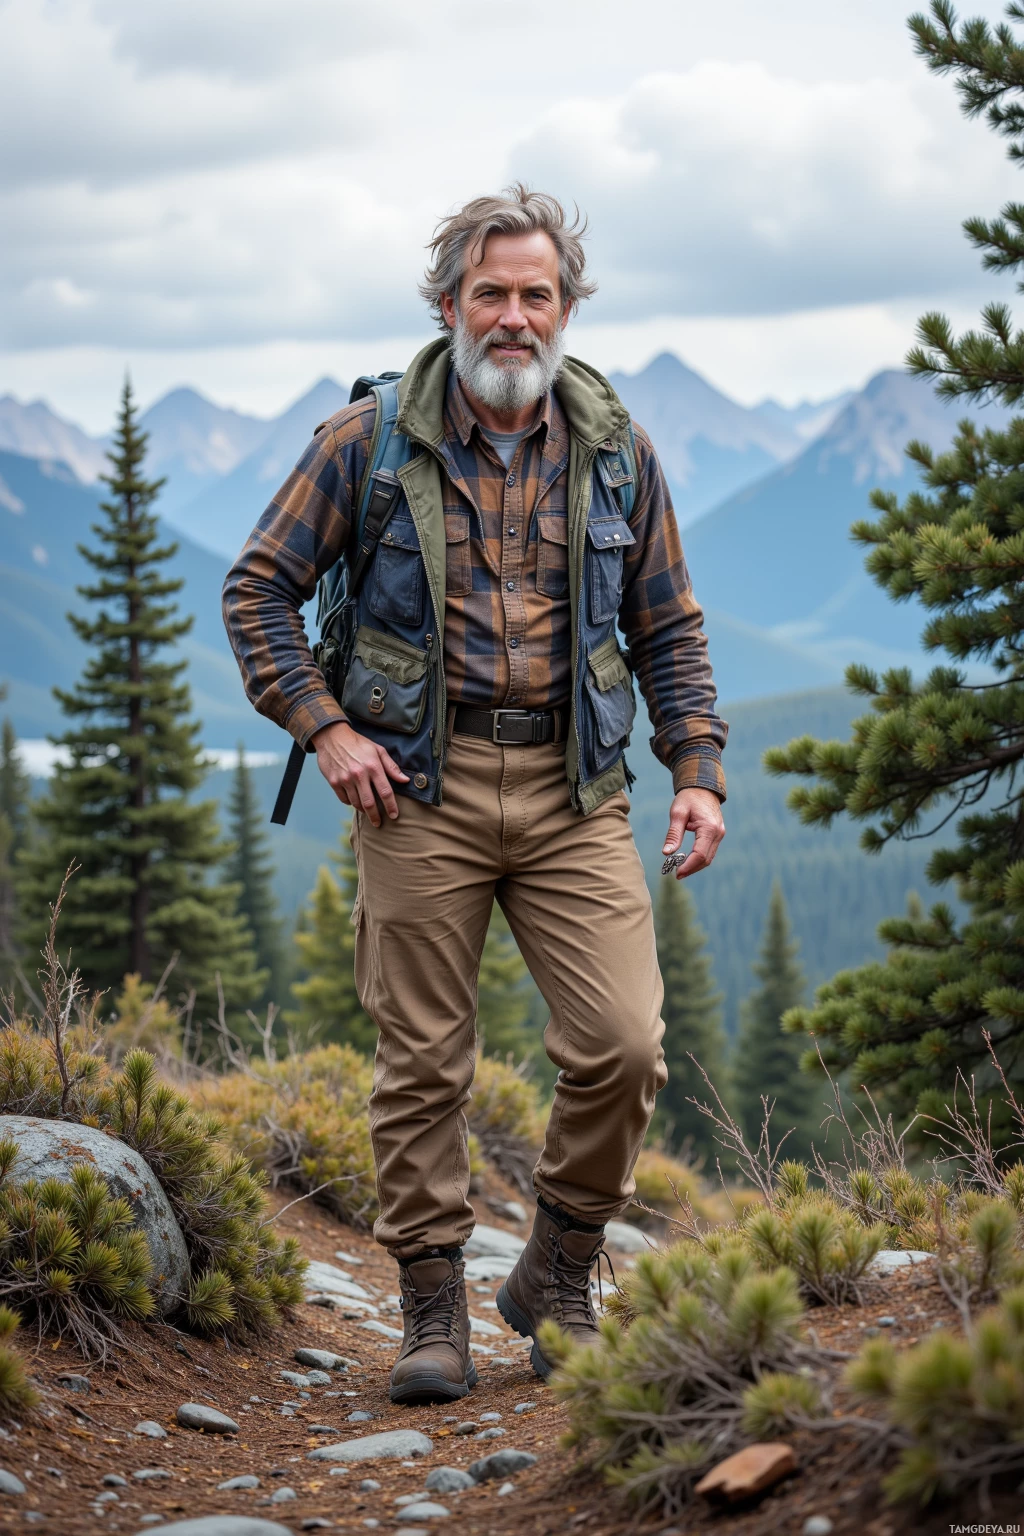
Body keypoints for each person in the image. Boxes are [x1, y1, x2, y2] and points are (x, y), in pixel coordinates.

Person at [223, 184, 727, 1405]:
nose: (512, 317)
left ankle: (555, 1275)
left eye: (534, 295)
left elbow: (669, 625)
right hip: (416, 794)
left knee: (622, 1046)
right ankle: (431, 1311)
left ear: (565, 308)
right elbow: (257, 593)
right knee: (423, 1064)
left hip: (574, 790)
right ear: (448, 304)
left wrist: (697, 770)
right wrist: (327, 729)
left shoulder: (617, 449)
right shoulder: (369, 441)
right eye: (489, 293)